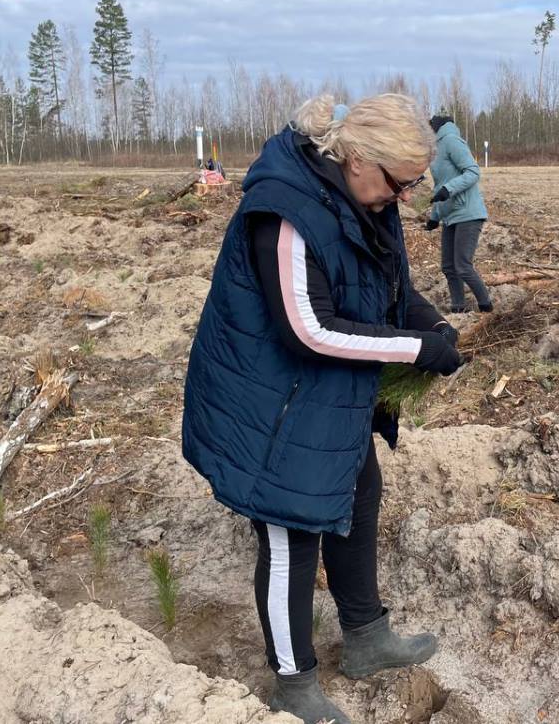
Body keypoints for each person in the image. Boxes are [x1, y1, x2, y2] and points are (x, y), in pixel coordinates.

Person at [182, 93, 463, 724]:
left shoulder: (367, 199)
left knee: (359, 492)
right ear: (357, 158)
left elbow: (387, 284)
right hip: (270, 403)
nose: (404, 197)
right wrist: (415, 348)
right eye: (398, 183)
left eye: (413, 185)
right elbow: (307, 329)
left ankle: (366, 637)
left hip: (326, 393)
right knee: (291, 532)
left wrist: (430, 322)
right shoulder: (284, 210)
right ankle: (293, 682)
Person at [425, 115, 492, 313]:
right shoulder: (435, 149)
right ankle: (458, 308)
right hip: (450, 215)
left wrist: (449, 189)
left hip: (468, 213)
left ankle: (486, 307)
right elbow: (440, 185)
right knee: (448, 266)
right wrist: (434, 217)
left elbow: (473, 172)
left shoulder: (452, 141)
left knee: (462, 266)